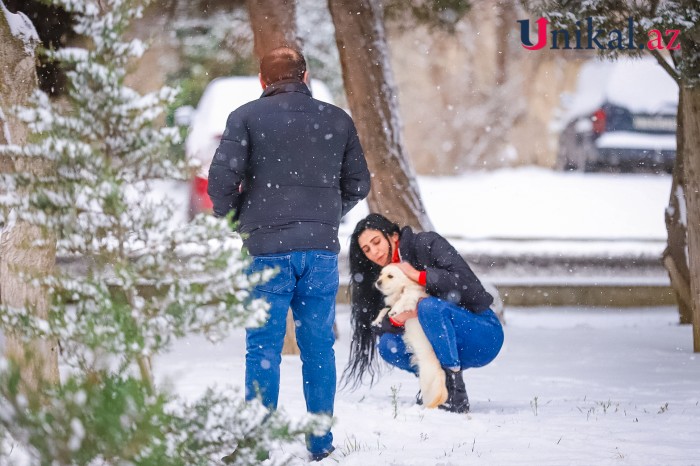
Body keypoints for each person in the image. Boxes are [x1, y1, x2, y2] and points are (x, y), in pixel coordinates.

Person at [208, 46, 370, 461]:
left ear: (263, 80)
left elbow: (220, 181)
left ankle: (259, 443)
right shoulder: (337, 119)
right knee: (318, 347)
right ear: (305, 75)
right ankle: (320, 442)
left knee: (262, 348)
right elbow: (358, 184)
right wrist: (325, 216)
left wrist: (239, 219)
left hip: (265, 253)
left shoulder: (244, 117)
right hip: (319, 254)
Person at [342, 213, 503, 413]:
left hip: (481, 333)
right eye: (367, 249)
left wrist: (418, 276)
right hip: (442, 343)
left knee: (427, 307)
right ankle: (434, 386)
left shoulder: (426, 243)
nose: (374, 252)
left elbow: (467, 283)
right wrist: (397, 318)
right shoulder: (383, 277)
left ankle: (454, 392)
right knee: (388, 345)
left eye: (376, 242)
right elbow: (381, 325)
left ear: (393, 236)